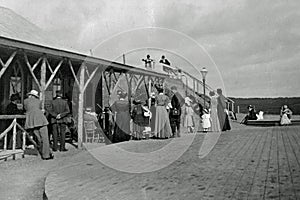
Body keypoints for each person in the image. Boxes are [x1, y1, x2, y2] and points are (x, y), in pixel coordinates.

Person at [24, 90, 53, 160]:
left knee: (39, 139)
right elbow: (41, 109)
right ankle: (46, 155)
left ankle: (47, 152)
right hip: (41, 120)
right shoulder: (39, 101)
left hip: (32, 121)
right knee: (45, 138)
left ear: (30, 95)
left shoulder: (25, 101)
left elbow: (25, 109)